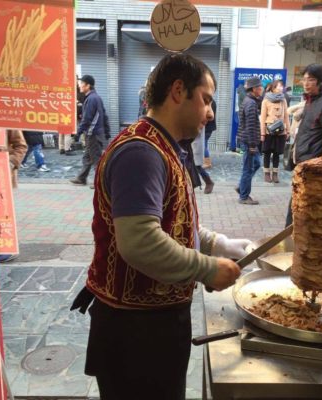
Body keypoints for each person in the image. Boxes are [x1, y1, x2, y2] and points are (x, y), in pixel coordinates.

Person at [70, 54, 250, 400]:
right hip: (136, 333)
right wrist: (208, 269)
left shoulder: (166, 146)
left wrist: (215, 243)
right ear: (178, 91)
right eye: (206, 99)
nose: (210, 112)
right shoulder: (141, 151)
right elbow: (140, 242)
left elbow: (173, 221)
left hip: (155, 324)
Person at [285, 64, 322, 226]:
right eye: (305, 79)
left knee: (302, 208)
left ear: (321, 83)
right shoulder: (309, 102)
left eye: (311, 80)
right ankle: (290, 240)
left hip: (314, 166)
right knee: (297, 205)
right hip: (302, 164)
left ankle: (293, 240)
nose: (306, 83)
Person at [70, 75, 111, 186]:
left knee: (96, 158)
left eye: (81, 83)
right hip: (95, 133)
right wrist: (107, 131)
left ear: (88, 85)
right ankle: (82, 178)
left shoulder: (92, 99)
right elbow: (104, 115)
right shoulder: (95, 97)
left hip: (92, 134)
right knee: (87, 157)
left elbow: (87, 119)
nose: (79, 85)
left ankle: (100, 183)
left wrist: (77, 133)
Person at [0, 130, 27, 263]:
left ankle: (6, 247)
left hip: (1, 176)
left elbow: (21, 146)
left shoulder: (5, 118)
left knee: (2, 212)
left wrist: (10, 162)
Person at [236, 76, 263, 205]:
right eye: (260, 87)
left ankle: (241, 186)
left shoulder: (250, 101)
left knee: (256, 163)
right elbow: (251, 126)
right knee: (248, 168)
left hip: (247, 139)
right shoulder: (251, 104)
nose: (262, 89)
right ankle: (244, 196)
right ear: (254, 89)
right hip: (248, 141)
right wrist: (252, 145)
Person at [260, 80, 290, 183]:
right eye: (279, 86)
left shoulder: (283, 100)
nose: (281, 88)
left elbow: (286, 116)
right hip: (269, 131)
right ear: (273, 88)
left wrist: (288, 131)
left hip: (281, 131)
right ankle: (267, 173)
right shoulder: (266, 100)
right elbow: (263, 118)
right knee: (267, 152)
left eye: (282, 86)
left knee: (277, 153)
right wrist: (262, 133)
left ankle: (275, 174)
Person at [192, 128, 214, 194]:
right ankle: (191, 183)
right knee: (188, 162)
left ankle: (208, 181)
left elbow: (209, 117)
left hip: (197, 132)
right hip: (185, 134)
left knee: (196, 163)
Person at [202, 99, 216, 169]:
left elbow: (209, 116)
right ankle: (205, 161)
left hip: (207, 128)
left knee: (203, 144)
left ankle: (207, 162)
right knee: (204, 144)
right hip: (209, 127)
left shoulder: (210, 103)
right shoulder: (213, 102)